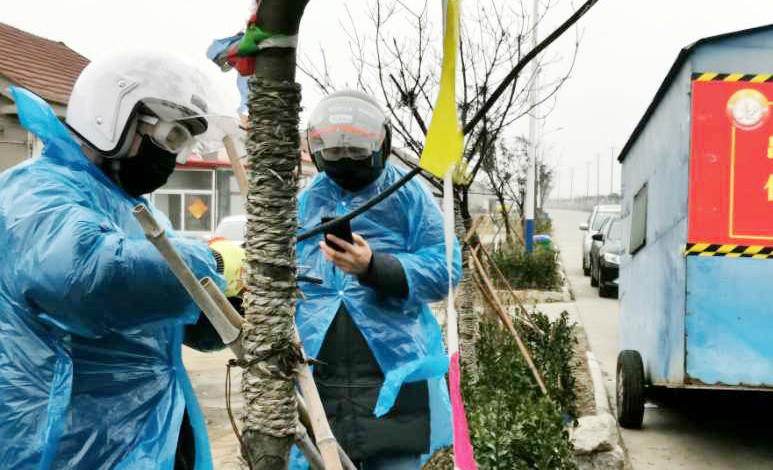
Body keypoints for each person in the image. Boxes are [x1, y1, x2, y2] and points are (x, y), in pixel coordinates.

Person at [0, 50, 242, 470]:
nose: (177, 158)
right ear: (113, 116)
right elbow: (87, 277)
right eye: (172, 137)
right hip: (76, 447)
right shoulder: (35, 191)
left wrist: (229, 304)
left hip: (155, 435)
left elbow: (171, 318)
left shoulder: (137, 212)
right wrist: (214, 264)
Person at [294, 90, 462, 470]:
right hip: (322, 379)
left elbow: (446, 267)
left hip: (393, 378)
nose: (345, 160)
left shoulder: (407, 194)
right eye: (334, 151)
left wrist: (374, 267)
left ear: (380, 145)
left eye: (355, 150)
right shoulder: (307, 201)